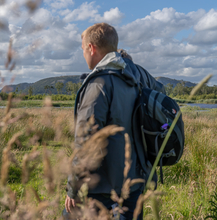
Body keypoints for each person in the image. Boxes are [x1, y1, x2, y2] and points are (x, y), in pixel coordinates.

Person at [63, 23, 165, 220]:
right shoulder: (135, 76)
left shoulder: (98, 84)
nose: (83, 54)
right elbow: (161, 95)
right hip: (135, 181)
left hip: (103, 189)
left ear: (91, 48)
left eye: (83, 49)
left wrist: (73, 189)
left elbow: (86, 142)